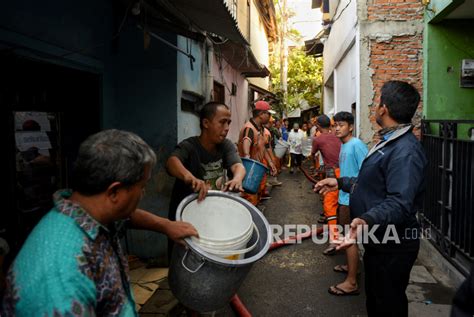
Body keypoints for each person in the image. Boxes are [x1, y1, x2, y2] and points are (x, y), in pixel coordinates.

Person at [1, 129, 198, 316]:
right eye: (142, 186)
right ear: (114, 192)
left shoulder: (87, 208)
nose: (143, 193)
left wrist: (166, 225)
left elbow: (128, 215)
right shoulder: (60, 274)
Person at [315, 80, 427, 316]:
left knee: (388, 303)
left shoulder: (405, 151)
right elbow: (372, 185)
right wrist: (340, 182)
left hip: (393, 244)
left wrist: (365, 219)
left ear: (383, 108)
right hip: (379, 240)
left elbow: (400, 202)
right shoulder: (390, 141)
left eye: (378, 102)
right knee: (376, 299)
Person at [166, 102, 246, 254]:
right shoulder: (189, 146)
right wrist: (189, 177)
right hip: (185, 217)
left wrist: (237, 179)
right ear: (206, 123)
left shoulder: (226, 146)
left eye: (228, 123)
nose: (227, 128)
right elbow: (172, 162)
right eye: (222, 122)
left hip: (211, 216)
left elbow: (238, 166)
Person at [328, 111, 368, 296]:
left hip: (352, 199)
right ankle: (351, 266)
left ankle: (352, 282)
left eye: (341, 125)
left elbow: (367, 172)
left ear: (351, 127)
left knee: (349, 239)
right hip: (344, 197)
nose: (337, 128)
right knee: (347, 237)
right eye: (335, 124)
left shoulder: (356, 145)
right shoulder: (344, 144)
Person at [311, 115, 341, 254]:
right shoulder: (338, 135)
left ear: (317, 126)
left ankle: (334, 241)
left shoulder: (318, 139)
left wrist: (314, 165)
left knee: (330, 205)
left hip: (333, 173)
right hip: (345, 172)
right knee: (342, 204)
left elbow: (313, 154)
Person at [237, 100, 277, 205]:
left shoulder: (262, 130)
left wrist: (271, 163)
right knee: (248, 200)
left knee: (255, 197)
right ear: (261, 114)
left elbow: (263, 149)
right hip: (248, 170)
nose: (269, 117)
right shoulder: (249, 128)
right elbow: (246, 142)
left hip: (256, 170)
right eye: (268, 114)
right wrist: (247, 158)